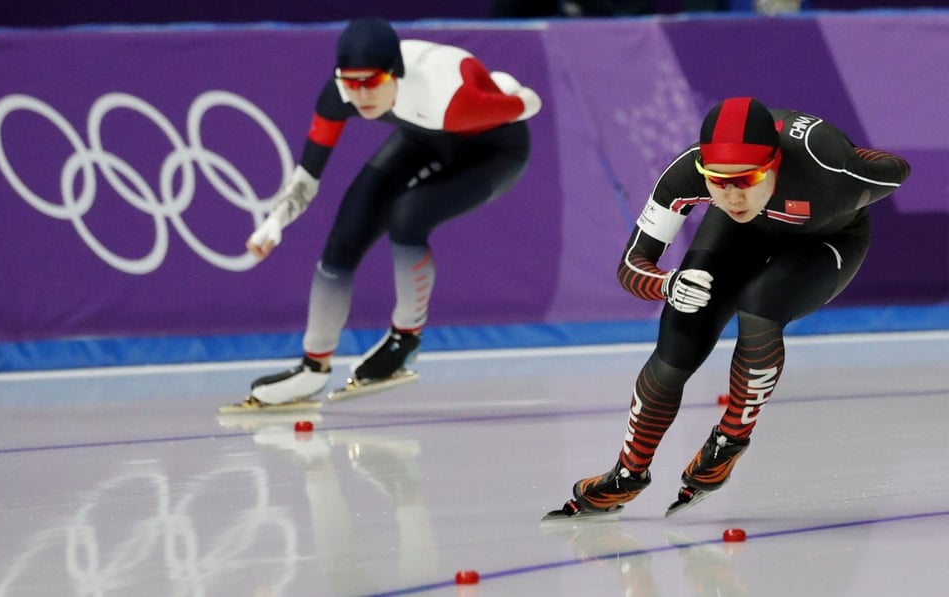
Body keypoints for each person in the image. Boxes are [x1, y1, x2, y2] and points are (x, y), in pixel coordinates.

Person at [571, 97, 910, 513]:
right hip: (741, 234)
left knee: (760, 304)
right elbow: (630, 264)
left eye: (746, 179)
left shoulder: (825, 166)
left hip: (826, 239)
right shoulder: (685, 173)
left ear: (773, 165)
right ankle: (628, 472)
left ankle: (730, 439)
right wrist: (667, 283)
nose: (731, 195)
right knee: (681, 329)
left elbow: (896, 169)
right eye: (717, 180)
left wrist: (847, 151)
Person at [243, 18, 541, 406]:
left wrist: (506, 87)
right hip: (423, 136)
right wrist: (275, 222)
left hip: (494, 151)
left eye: (372, 83)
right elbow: (308, 175)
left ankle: (405, 340)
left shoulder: (450, 101)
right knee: (347, 230)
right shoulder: (340, 94)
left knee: (408, 216)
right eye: (352, 83)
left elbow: (529, 103)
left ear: (395, 76)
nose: (362, 95)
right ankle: (312, 367)